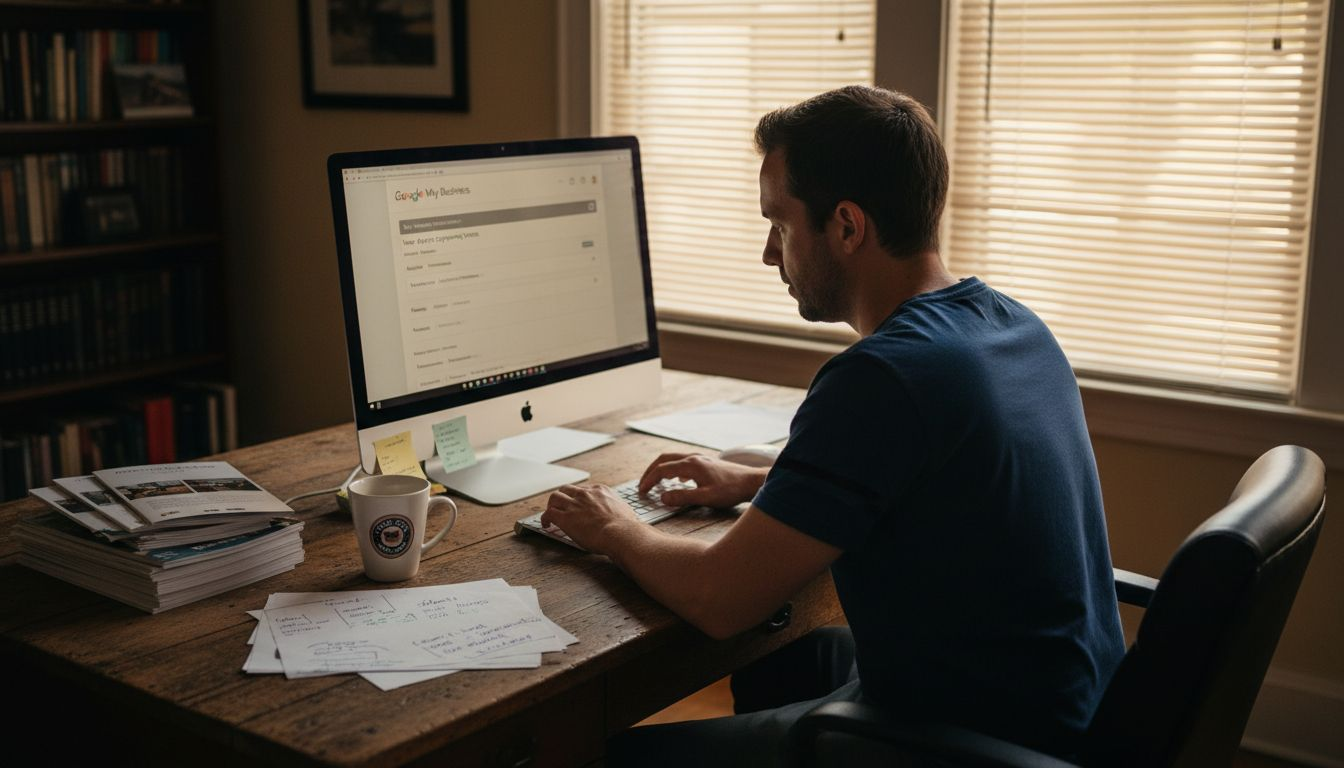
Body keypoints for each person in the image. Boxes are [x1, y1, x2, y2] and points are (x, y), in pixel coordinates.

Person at [540, 85, 1125, 766]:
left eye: (780, 224)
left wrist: (613, 525)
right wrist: (759, 481)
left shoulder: (882, 377)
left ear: (846, 227)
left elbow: (718, 599)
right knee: (786, 658)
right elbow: (935, 483)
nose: (768, 252)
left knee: (605, 756)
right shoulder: (1013, 327)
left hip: (980, 744)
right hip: (1070, 713)